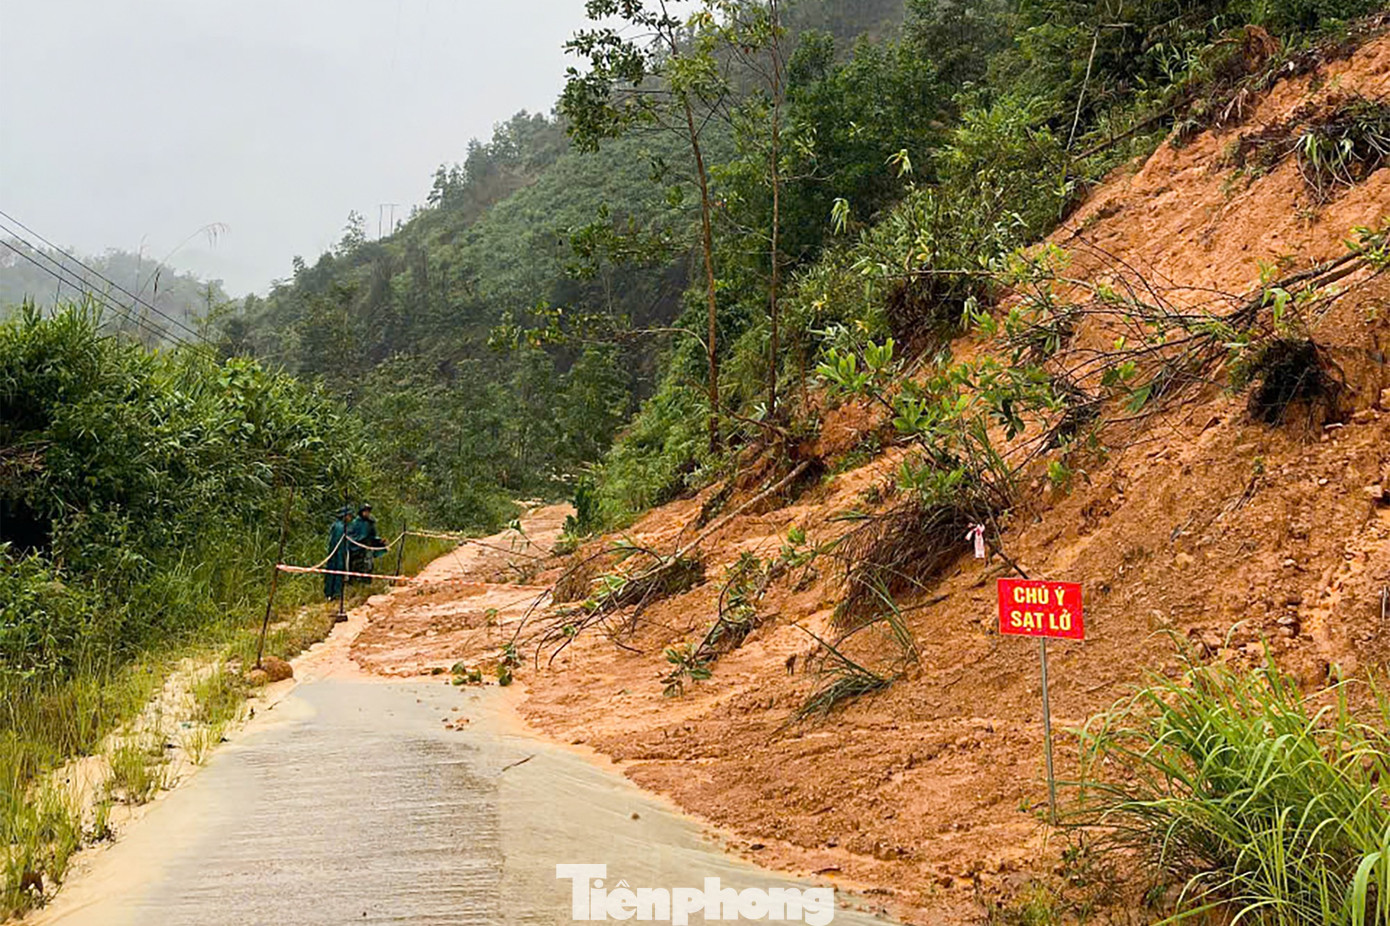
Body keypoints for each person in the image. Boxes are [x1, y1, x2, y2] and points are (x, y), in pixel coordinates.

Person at [347, 502, 386, 583]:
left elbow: (373, 536)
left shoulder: (370, 523)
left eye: (368, 511)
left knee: (368, 565)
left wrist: (379, 541)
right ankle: (354, 583)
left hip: (367, 548)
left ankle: (366, 582)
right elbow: (350, 536)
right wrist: (359, 541)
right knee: (356, 566)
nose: (367, 513)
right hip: (357, 550)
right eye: (365, 511)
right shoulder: (355, 523)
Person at [324, 505, 353, 601]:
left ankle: (330, 593)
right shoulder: (340, 527)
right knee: (337, 571)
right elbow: (339, 543)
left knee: (333, 571)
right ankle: (335, 593)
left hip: (337, 553)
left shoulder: (338, 526)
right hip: (338, 554)